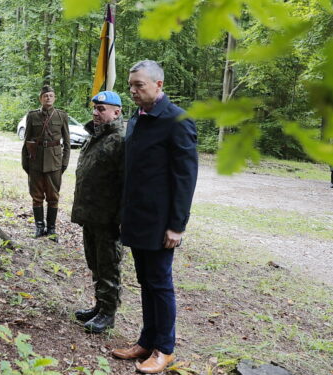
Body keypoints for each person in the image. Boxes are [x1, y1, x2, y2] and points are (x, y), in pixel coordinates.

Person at [112, 60, 198, 374]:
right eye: (131, 85)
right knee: (145, 282)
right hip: (136, 217)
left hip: (161, 223)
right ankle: (146, 341)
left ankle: (166, 349)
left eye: (140, 86)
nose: (133, 91)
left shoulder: (177, 120)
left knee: (160, 284)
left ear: (159, 85)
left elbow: (185, 179)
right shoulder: (138, 118)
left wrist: (177, 225)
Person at [71, 91, 125, 333]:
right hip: (91, 214)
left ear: (117, 112)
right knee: (95, 263)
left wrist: (121, 218)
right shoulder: (95, 136)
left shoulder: (120, 140)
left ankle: (108, 313)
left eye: (101, 108)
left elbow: (126, 182)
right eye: (94, 108)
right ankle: (99, 306)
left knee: (108, 265)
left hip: (108, 218)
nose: (95, 112)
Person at [21, 85, 71, 241]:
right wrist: (26, 163)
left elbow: (67, 142)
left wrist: (64, 163)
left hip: (55, 162)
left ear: (54, 98)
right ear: (40, 99)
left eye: (51, 95)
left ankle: (51, 229)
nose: (48, 98)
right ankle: (39, 227)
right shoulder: (32, 116)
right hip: (35, 161)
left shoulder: (61, 116)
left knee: (53, 197)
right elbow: (27, 140)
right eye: (45, 96)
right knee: (36, 197)